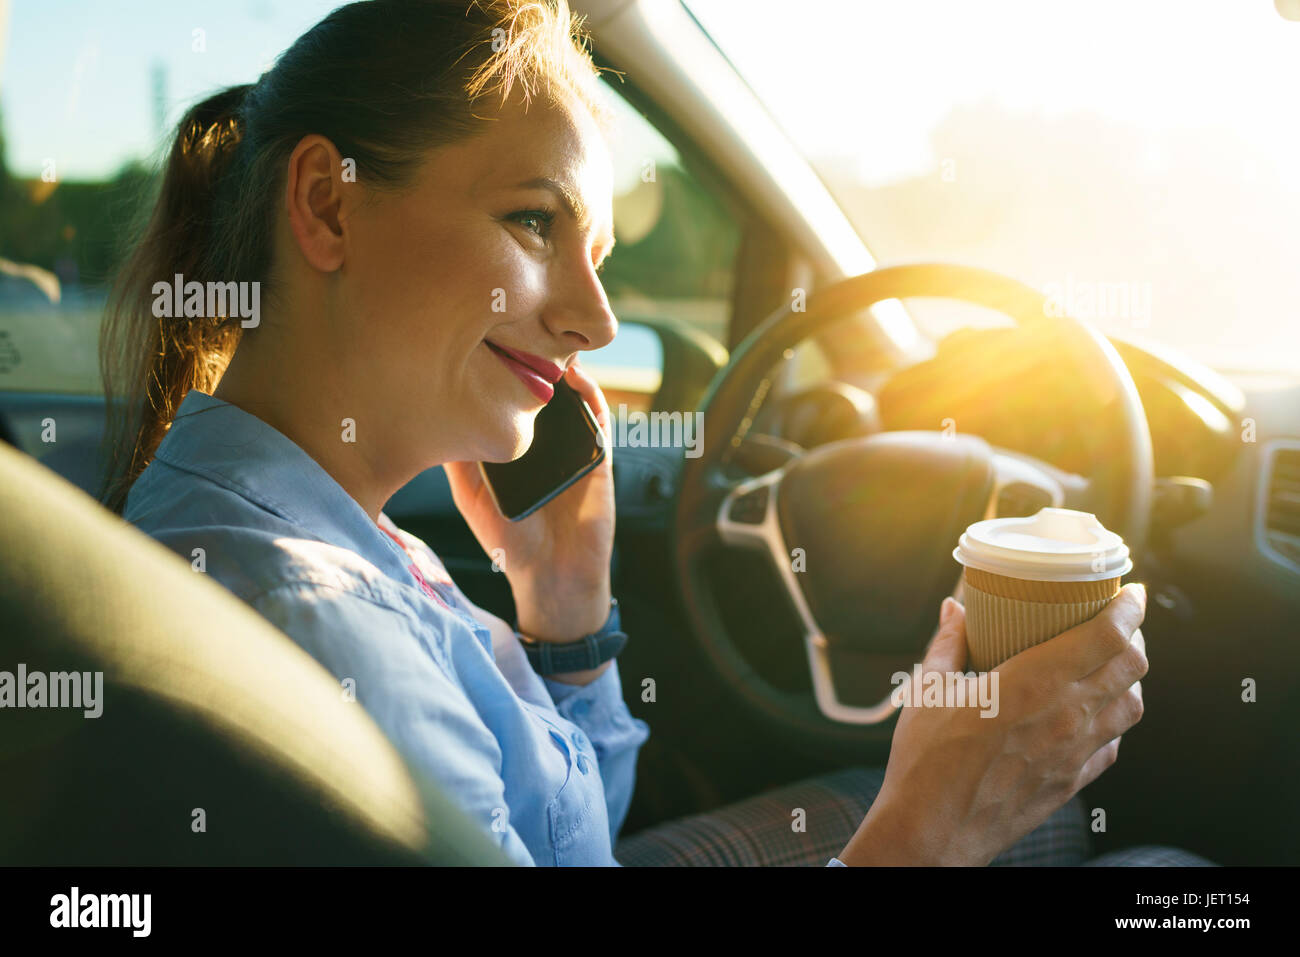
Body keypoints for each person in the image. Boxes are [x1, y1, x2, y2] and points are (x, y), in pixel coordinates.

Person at [102, 0, 1208, 867]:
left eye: (598, 253)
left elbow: (565, 841)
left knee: (1040, 829)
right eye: (532, 220)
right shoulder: (323, 620)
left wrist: (567, 617)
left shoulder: (316, 524)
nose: (596, 317)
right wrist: (921, 841)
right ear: (330, 205)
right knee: (1151, 862)